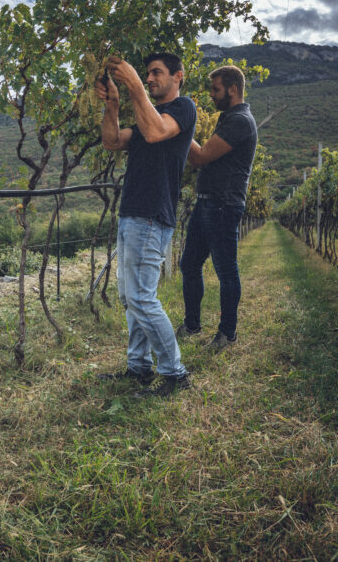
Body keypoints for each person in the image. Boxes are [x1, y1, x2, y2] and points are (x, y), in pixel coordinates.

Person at [95, 53, 196, 398]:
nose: (151, 79)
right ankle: (139, 366)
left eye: (157, 73)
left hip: (152, 215)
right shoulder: (144, 118)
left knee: (141, 297)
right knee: (131, 298)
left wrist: (135, 83)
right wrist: (112, 105)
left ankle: (175, 374)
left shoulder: (183, 109)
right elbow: (111, 142)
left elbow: (155, 133)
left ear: (177, 76)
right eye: (148, 74)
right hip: (132, 214)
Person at [177, 65, 257, 350]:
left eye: (216, 89)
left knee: (225, 270)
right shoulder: (229, 118)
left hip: (223, 205)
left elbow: (199, 158)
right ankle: (192, 325)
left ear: (232, 89)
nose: (211, 95)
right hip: (207, 202)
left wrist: (180, 125)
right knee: (189, 264)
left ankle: (227, 335)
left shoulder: (240, 121)